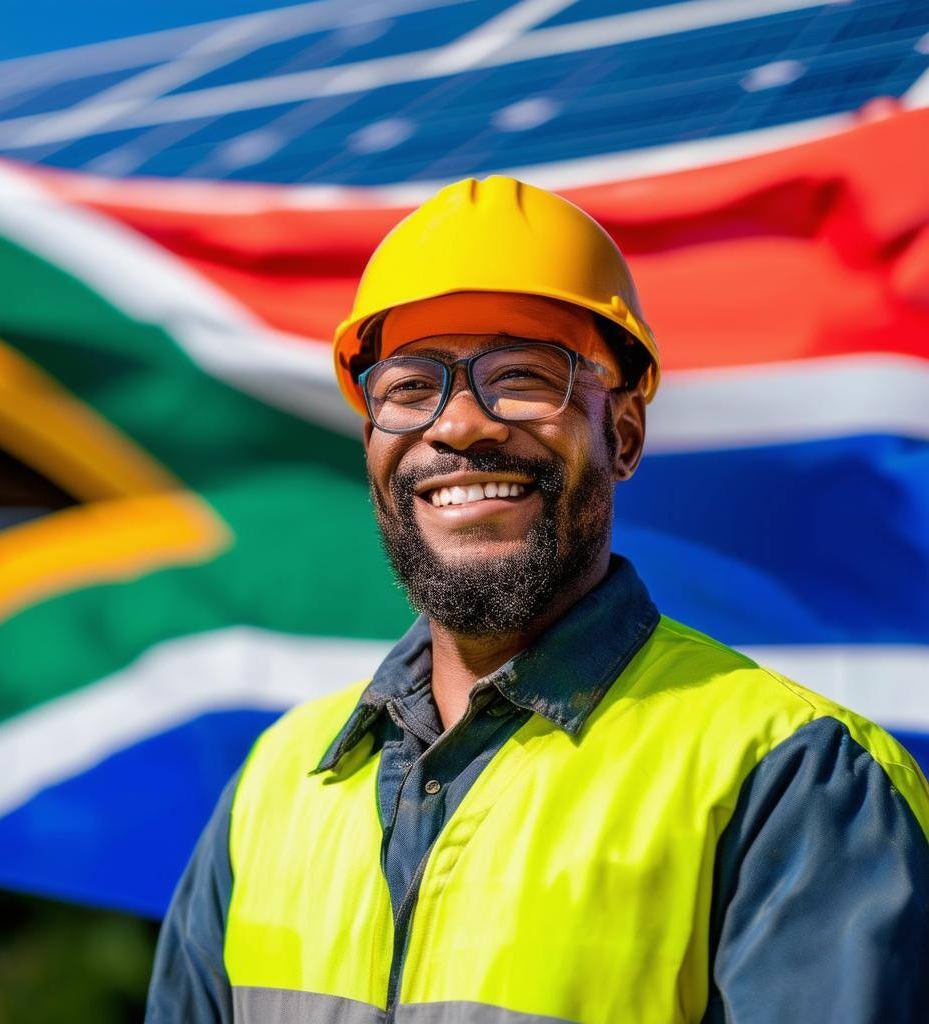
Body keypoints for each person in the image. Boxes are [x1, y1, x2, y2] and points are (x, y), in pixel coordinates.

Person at [146, 176, 929, 1024]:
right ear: (371, 438)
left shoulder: (794, 779)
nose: (458, 425)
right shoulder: (274, 782)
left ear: (622, 433)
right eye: (410, 387)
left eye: (522, 375)